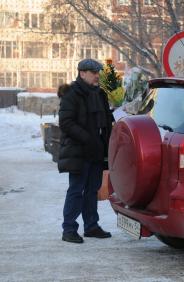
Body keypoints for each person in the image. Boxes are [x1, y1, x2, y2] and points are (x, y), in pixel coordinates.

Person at [58, 58, 113, 243]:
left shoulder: (100, 94)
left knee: (92, 190)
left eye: (98, 72)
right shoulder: (71, 94)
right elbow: (65, 123)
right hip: (78, 151)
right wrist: (87, 138)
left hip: (97, 151)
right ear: (82, 73)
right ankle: (69, 229)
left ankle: (91, 226)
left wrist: (108, 140)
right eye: (93, 72)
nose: (97, 76)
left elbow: (107, 120)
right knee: (76, 190)